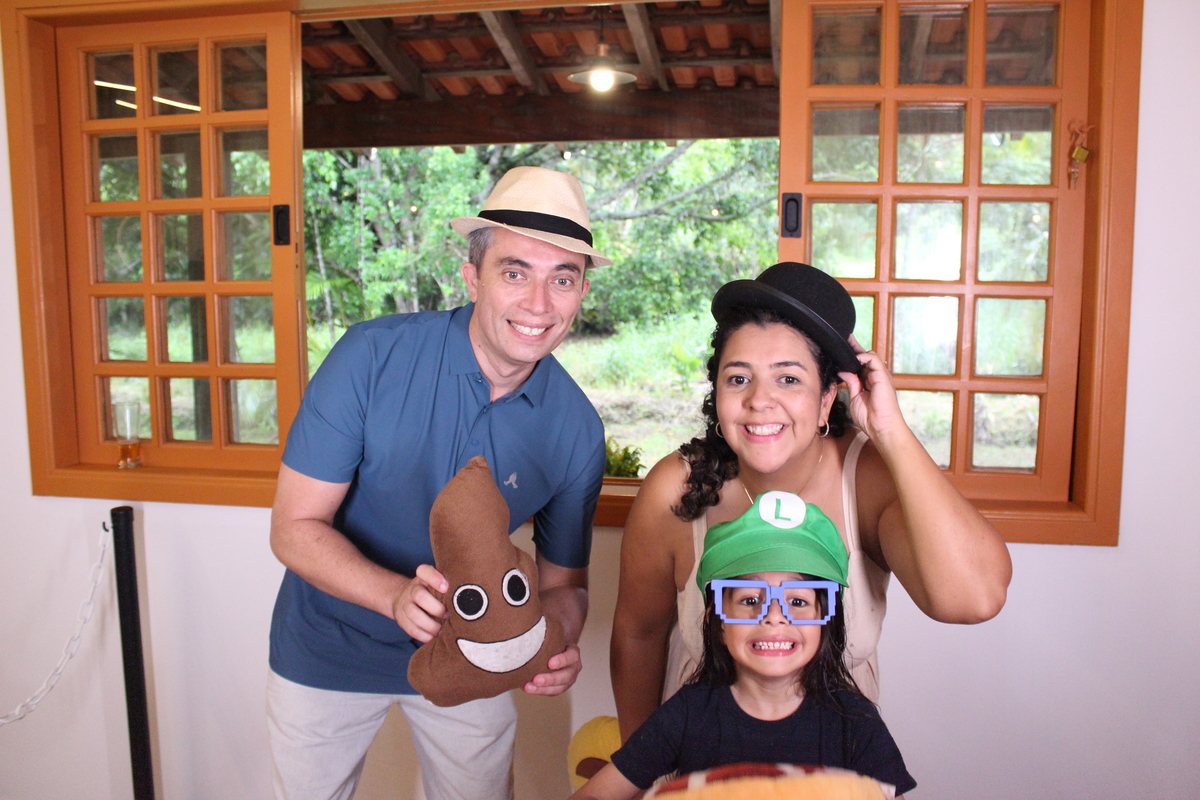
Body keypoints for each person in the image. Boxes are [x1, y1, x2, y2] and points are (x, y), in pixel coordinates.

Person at [266, 166, 610, 800]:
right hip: (325, 647)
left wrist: (554, 640)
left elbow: (565, 586)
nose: (539, 304)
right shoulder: (369, 356)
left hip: (474, 655)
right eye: (515, 273)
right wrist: (395, 596)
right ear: (471, 276)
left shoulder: (578, 430)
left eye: (562, 279)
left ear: (582, 290)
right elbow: (293, 529)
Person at [610, 261, 1013, 740]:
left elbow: (974, 600)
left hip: (836, 761)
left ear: (826, 399)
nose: (760, 400)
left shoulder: (868, 479)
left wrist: (891, 432)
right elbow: (638, 635)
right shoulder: (676, 487)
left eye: (788, 379)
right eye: (738, 378)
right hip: (697, 756)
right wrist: (637, 769)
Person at [575, 492, 916, 799]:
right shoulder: (687, 714)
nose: (774, 617)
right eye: (751, 600)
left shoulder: (855, 721)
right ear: (717, 620)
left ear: (825, 619)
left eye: (797, 602)